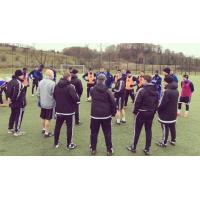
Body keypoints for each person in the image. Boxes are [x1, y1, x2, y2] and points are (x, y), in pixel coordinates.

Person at [127, 75, 159, 155]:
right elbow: (157, 103)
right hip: (150, 113)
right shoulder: (155, 91)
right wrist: (153, 111)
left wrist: (135, 112)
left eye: (143, 80)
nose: (142, 81)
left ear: (145, 80)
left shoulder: (141, 90)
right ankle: (147, 149)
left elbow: (136, 102)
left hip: (141, 113)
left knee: (137, 130)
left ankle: (133, 147)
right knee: (148, 130)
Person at [90, 74, 117, 156]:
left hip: (95, 115)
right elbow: (113, 103)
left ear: (97, 80)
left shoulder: (92, 89)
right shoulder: (107, 90)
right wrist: (113, 113)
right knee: (107, 133)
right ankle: (109, 150)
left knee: (94, 133)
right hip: (106, 116)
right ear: (104, 80)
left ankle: (93, 149)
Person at [53, 72, 79, 149]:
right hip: (69, 112)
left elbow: (54, 96)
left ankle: (56, 143)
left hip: (59, 110)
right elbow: (76, 98)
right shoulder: (71, 87)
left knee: (57, 127)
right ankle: (69, 144)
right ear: (68, 77)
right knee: (69, 128)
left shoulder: (57, 85)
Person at [156, 75, 179, 147]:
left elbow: (163, 104)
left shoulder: (167, 91)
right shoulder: (176, 90)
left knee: (165, 127)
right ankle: (173, 140)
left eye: (164, 81)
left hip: (166, 114)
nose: (163, 82)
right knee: (172, 126)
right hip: (173, 112)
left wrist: (158, 110)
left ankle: (164, 142)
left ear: (167, 82)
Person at [6, 70, 26, 136]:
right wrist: (13, 100)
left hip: (12, 103)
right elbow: (17, 93)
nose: (23, 76)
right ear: (19, 75)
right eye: (22, 75)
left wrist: (9, 99)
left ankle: (10, 128)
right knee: (18, 116)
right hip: (18, 103)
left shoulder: (10, 81)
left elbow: (7, 92)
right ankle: (17, 131)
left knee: (13, 115)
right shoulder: (19, 83)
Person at [37, 69, 56, 137]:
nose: (53, 75)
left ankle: (44, 128)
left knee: (43, 117)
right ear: (50, 75)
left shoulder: (41, 82)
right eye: (53, 74)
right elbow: (55, 94)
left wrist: (40, 100)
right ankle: (46, 133)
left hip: (42, 103)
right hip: (49, 104)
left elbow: (38, 93)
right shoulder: (52, 83)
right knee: (48, 118)